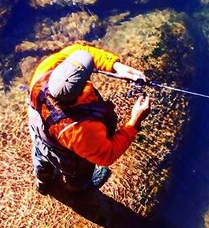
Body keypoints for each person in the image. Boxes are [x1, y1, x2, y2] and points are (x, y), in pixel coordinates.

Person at [27, 42, 150, 195]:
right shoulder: (81, 128)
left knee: (41, 160)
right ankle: (76, 189)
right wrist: (135, 121)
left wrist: (116, 66)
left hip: (41, 138)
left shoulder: (45, 71)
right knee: (78, 173)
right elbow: (107, 155)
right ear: (80, 92)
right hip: (67, 156)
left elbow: (79, 51)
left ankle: (43, 185)